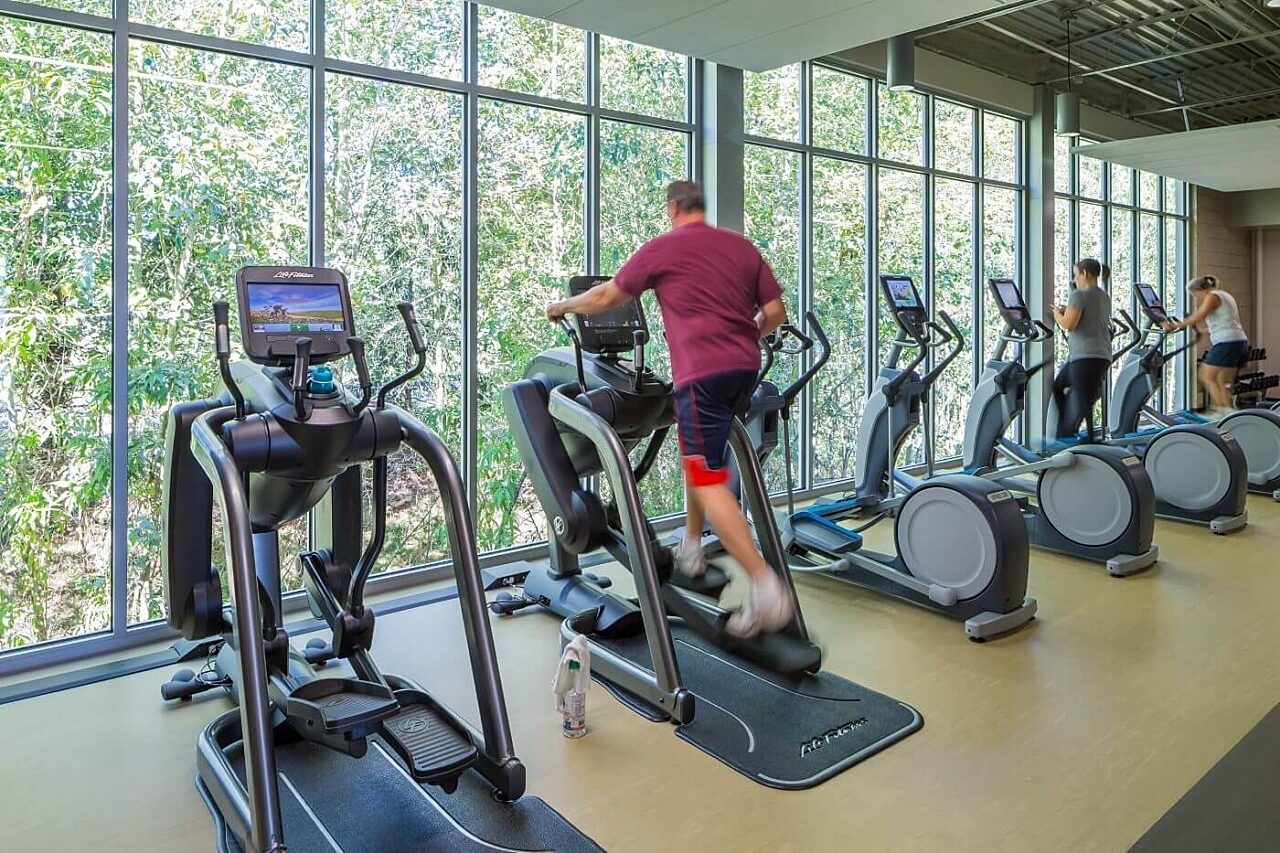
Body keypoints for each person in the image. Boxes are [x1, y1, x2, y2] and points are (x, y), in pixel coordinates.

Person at [545, 180, 791, 637]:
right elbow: (775, 312)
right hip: (743, 370)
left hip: (701, 372)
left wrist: (564, 305)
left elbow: (605, 297)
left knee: (704, 475)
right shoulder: (740, 247)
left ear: (674, 208)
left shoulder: (665, 247)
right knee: (697, 458)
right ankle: (692, 547)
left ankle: (764, 586)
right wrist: (742, 338)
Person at [1162, 275, 1248, 417]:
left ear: (1201, 289)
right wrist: (1202, 331)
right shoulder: (1226, 296)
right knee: (1223, 381)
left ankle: (1221, 411)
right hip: (1239, 342)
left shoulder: (1212, 296)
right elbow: (1226, 322)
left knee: (1206, 375)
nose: (1196, 298)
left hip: (1227, 343)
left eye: (1195, 294)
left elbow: (1199, 315)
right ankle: (1229, 414)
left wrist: (1175, 325)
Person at [1050, 258, 1113, 440]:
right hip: (1101, 353)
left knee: (1082, 396)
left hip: (1085, 355)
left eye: (1076, 274)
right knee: (1060, 386)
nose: (1075, 278)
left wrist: (1056, 314)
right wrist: (1068, 309)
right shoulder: (1103, 296)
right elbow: (1089, 317)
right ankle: (1065, 433)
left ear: (1085, 273)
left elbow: (1069, 324)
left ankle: (1088, 438)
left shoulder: (1078, 295)